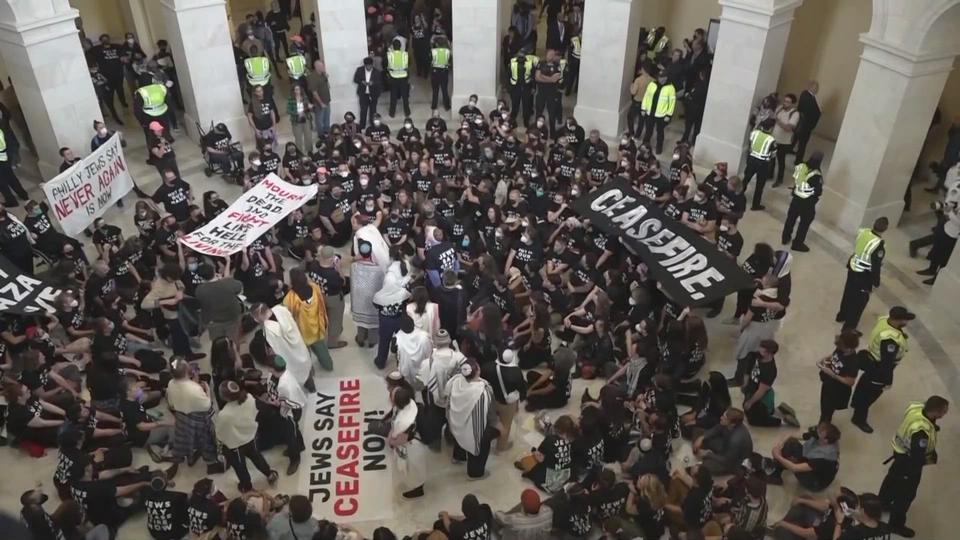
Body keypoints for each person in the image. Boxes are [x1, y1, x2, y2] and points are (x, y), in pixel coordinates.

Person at [878, 395, 948, 538]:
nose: (944, 414)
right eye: (943, 412)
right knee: (905, 495)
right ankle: (896, 524)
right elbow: (917, 457)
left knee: (891, 479)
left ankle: (881, 503)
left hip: (899, 452)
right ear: (935, 413)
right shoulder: (921, 433)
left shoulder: (916, 407)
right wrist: (919, 468)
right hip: (908, 463)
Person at [850, 306, 914, 433]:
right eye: (904, 320)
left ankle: (855, 402)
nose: (906, 322)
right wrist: (888, 381)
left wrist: (900, 333)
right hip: (878, 369)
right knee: (870, 394)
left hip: (870, 359)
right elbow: (887, 363)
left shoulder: (884, 320)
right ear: (898, 320)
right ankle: (859, 418)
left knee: (864, 383)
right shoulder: (890, 340)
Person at [214, 381, 278, 493]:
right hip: (250, 436)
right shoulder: (248, 397)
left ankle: (246, 486)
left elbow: (221, 433)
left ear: (225, 398)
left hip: (235, 445)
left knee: (240, 467)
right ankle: (269, 473)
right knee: (257, 457)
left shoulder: (225, 414)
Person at [166, 358, 223, 473]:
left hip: (181, 417)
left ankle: (190, 457)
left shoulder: (171, 384)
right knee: (206, 441)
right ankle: (211, 465)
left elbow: (171, 404)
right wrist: (207, 390)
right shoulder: (195, 389)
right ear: (188, 370)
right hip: (198, 419)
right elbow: (207, 405)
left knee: (186, 439)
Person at [446, 361, 498, 479]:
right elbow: (491, 414)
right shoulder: (483, 390)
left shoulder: (455, 381)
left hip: (456, 420)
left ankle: (459, 457)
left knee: (459, 437)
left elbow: (448, 401)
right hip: (473, 426)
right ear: (477, 371)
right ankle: (475, 473)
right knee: (478, 445)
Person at [836, 217, 888, 331]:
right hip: (864, 275)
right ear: (885, 229)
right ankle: (848, 328)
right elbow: (876, 266)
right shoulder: (878, 245)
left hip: (853, 266)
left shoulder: (863, 232)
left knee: (848, 293)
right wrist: (876, 282)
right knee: (858, 303)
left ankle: (842, 315)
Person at [251, 302, 314, 392]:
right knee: (305, 366)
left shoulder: (269, 329)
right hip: (299, 346)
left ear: (259, 316)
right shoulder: (281, 309)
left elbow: (274, 347)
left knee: (296, 373)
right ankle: (311, 386)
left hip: (288, 355)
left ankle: (302, 388)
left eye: (255, 317)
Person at [282, 268, 333, 372]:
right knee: (322, 351)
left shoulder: (290, 298)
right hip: (317, 328)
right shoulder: (315, 288)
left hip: (302, 332)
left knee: (305, 356)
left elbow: (287, 316)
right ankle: (328, 366)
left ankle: (310, 372)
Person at [765, 422, 841, 491]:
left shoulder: (824, 458)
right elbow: (791, 435)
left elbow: (794, 468)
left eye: (820, 432)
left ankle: (778, 470)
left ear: (825, 440)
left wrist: (778, 456)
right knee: (791, 443)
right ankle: (778, 470)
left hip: (816, 482)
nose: (817, 431)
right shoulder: (818, 436)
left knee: (792, 462)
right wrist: (779, 447)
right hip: (812, 462)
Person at [741, 340, 799, 428]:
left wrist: (750, 402)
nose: (759, 350)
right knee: (749, 411)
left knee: (755, 421)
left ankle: (782, 418)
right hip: (752, 390)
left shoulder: (770, 370)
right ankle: (779, 410)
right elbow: (748, 368)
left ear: (770, 353)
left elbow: (761, 390)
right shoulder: (756, 356)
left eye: (763, 350)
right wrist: (745, 383)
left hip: (762, 396)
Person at [386, 384, 427, 499]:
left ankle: (418, 489)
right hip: (410, 440)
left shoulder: (403, 422)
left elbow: (399, 439)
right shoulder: (410, 403)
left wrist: (391, 442)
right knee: (412, 468)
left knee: (414, 469)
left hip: (411, 445)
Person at [481, 349, 526, 452]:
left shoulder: (487, 367)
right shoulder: (516, 372)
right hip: (506, 404)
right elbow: (522, 388)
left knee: (489, 420)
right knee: (506, 425)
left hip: (490, 400)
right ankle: (501, 448)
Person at [780, 150, 824, 252]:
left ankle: (785, 237)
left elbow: (796, 179)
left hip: (796, 198)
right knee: (804, 223)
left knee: (790, 219)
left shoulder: (801, 166)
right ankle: (797, 244)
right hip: (807, 202)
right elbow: (818, 191)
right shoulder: (816, 175)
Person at [692, 408, 753, 475]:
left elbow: (726, 460)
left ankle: (707, 457)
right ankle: (707, 454)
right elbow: (717, 428)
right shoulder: (728, 424)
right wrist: (702, 437)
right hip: (724, 445)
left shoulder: (735, 440)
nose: (721, 418)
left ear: (732, 424)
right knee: (698, 431)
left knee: (703, 468)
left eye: (724, 417)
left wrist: (708, 454)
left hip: (731, 463)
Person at [195, 261, 244, 343]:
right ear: (214, 271)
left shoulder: (199, 290)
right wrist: (222, 279)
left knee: (218, 344)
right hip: (232, 317)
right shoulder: (227, 283)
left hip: (213, 321)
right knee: (234, 341)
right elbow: (240, 289)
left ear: (201, 277)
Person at [742, 117, 777, 210]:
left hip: (752, 159)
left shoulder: (754, 133)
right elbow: (773, 155)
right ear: (771, 128)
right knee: (759, 185)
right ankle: (755, 205)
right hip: (763, 163)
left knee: (745, 179)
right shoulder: (771, 140)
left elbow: (750, 144)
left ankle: (738, 196)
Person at [144, 470, 190, 540]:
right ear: (165, 483)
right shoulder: (177, 496)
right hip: (173, 533)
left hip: (154, 532)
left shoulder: (146, 496)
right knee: (184, 507)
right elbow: (188, 497)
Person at [640, 70, 676, 154]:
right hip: (650, 112)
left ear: (666, 78)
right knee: (648, 130)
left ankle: (659, 148)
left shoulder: (670, 88)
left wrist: (668, 115)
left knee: (660, 132)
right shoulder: (652, 84)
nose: (661, 79)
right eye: (660, 77)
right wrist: (643, 108)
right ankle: (645, 144)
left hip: (661, 115)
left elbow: (672, 103)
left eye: (663, 77)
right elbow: (646, 97)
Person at [534, 49, 564, 138]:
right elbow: (537, 77)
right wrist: (550, 79)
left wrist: (543, 77)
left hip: (552, 94)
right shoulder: (541, 64)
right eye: (549, 54)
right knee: (538, 112)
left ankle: (552, 133)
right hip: (541, 93)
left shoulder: (557, 65)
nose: (551, 56)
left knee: (552, 114)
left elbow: (555, 79)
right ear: (546, 55)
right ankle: (536, 130)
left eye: (553, 55)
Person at [395, 314, 432, 388]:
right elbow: (430, 351)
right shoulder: (424, 335)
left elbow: (393, 351)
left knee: (408, 386)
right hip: (423, 366)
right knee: (424, 385)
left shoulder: (397, 338)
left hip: (407, 367)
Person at [771, 93, 799, 187]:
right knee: (771, 158)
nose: (785, 103)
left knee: (781, 160)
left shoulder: (795, 114)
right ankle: (770, 174)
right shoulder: (779, 108)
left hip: (784, 142)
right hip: (774, 138)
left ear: (792, 104)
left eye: (788, 102)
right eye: (785, 101)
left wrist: (777, 120)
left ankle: (779, 179)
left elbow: (788, 128)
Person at [508, 51, 538, 128]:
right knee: (515, 104)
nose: (521, 58)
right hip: (515, 86)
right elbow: (508, 75)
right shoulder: (512, 62)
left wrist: (534, 87)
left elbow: (533, 76)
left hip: (526, 86)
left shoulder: (530, 63)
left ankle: (526, 120)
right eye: (519, 56)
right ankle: (512, 120)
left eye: (522, 57)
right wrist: (509, 88)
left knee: (526, 105)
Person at [795, 81, 821, 162]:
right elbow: (809, 110)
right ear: (811, 87)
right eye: (816, 87)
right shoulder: (806, 96)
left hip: (807, 125)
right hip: (805, 125)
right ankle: (798, 160)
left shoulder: (811, 96)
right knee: (802, 143)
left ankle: (796, 156)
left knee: (798, 141)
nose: (817, 89)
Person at [354, 57, 383, 129]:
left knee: (373, 110)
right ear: (365, 65)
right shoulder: (359, 70)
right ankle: (362, 125)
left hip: (373, 94)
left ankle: (372, 125)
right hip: (363, 94)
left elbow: (380, 82)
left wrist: (373, 83)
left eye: (370, 66)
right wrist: (361, 82)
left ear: (372, 65)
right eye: (367, 66)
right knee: (363, 110)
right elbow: (355, 79)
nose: (368, 67)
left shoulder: (377, 72)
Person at [387, 39, 412, 118]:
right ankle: (407, 112)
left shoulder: (389, 54)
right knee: (405, 95)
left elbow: (387, 65)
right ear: (401, 46)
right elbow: (409, 64)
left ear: (393, 46)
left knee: (393, 95)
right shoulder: (405, 54)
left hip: (393, 76)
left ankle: (392, 113)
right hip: (403, 76)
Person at [307, 60, 331, 136]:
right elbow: (314, 92)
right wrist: (321, 103)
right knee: (319, 120)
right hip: (319, 103)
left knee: (327, 117)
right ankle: (321, 135)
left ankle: (327, 132)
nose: (324, 67)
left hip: (327, 100)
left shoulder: (323, 75)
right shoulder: (312, 77)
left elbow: (328, 86)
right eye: (322, 66)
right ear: (317, 67)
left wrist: (326, 78)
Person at [286, 84, 313, 152]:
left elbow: (308, 105)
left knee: (308, 136)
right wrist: (296, 113)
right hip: (296, 121)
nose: (297, 91)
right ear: (293, 91)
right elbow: (288, 110)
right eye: (296, 89)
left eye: (298, 89)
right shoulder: (291, 98)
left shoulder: (304, 97)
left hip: (305, 118)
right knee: (298, 138)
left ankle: (309, 151)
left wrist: (309, 107)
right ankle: (300, 152)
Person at [430, 36, 452, 112]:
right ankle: (447, 105)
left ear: (437, 44)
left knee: (435, 90)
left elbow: (430, 60)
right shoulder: (447, 51)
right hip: (444, 72)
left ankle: (434, 105)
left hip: (435, 72)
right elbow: (450, 61)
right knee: (444, 89)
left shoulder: (433, 51)